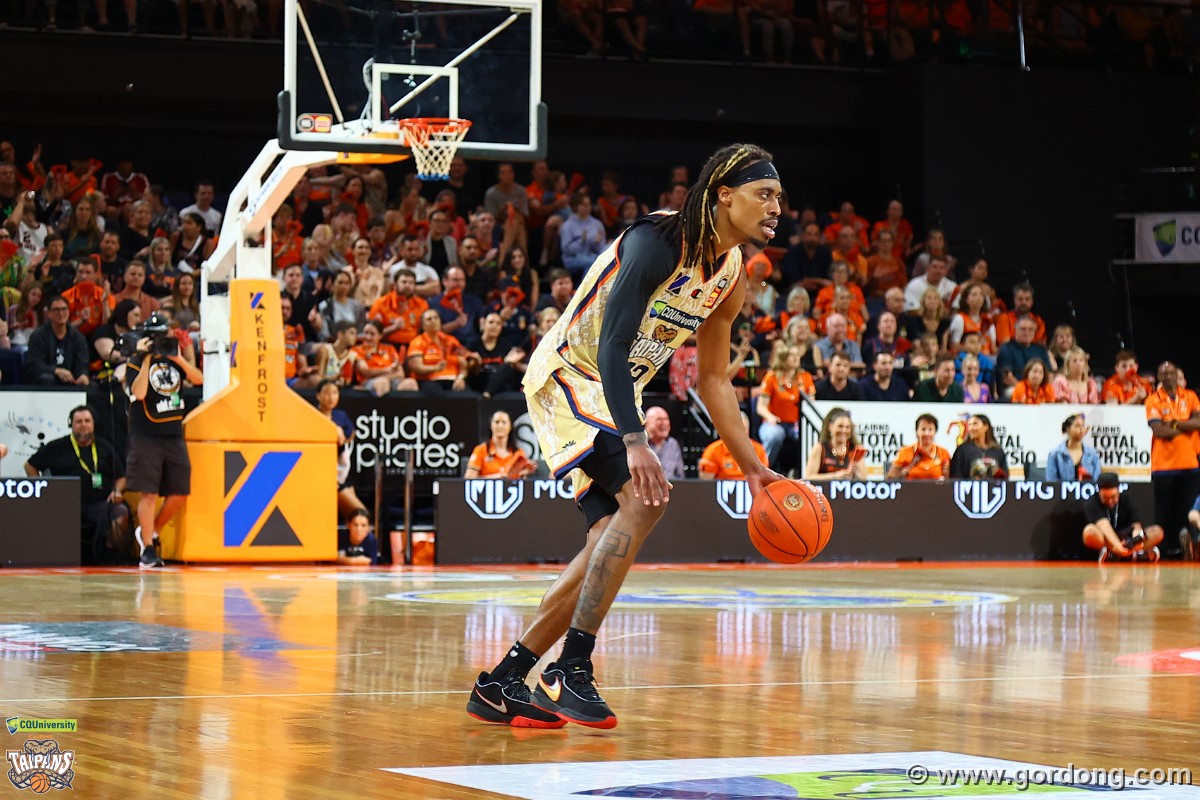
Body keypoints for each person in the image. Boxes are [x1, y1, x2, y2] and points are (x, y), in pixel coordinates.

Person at [467, 144, 787, 731]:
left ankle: (503, 681)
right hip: (571, 375)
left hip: (616, 393)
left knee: (604, 539)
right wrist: (637, 441)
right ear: (724, 195)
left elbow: (714, 380)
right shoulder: (655, 243)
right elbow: (613, 345)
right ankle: (572, 669)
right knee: (645, 499)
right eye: (764, 194)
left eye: (780, 198)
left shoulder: (732, 274)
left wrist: (753, 467)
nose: (776, 208)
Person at [125, 311, 205, 568]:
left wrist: (178, 358)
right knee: (149, 492)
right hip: (146, 434)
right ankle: (148, 549)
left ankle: (152, 530)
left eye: (164, 335)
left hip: (173, 433)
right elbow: (138, 393)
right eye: (156, 336)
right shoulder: (136, 360)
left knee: (180, 491)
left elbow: (199, 379)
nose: (161, 340)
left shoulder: (174, 359)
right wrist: (146, 358)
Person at [24, 405, 132, 564]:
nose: (83, 425)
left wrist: (117, 491)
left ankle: (111, 559)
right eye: (79, 421)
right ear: (71, 424)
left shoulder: (105, 447)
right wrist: (43, 491)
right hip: (64, 506)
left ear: (93, 424)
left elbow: (121, 477)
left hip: (99, 504)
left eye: (87, 421)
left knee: (120, 511)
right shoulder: (57, 447)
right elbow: (29, 466)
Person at [1146, 360, 1200, 559]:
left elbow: (1199, 422)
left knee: (1188, 510)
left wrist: (1175, 424)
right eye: (1164, 373)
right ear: (1159, 377)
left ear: (1178, 375)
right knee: (1163, 511)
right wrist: (1187, 425)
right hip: (1163, 465)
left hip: (1190, 463)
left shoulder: (1190, 396)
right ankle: (1164, 551)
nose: (1168, 376)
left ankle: (1189, 549)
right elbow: (1159, 430)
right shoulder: (1153, 400)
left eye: (1171, 373)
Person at [756, 345, 815, 467]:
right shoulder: (771, 377)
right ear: (783, 357)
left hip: (797, 424)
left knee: (807, 436)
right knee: (775, 435)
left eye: (797, 355)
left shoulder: (805, 377)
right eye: (792, 355)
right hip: (775, 423)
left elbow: (811, 405)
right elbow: (761, 407)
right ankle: (763, 468)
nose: (796, 358)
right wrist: (770, 417)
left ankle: (805, 471)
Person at [315, 379, 367, 517]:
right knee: (357, 513)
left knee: (357, 514)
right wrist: (334, 430)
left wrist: (340, 433)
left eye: (334, 393)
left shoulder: (341, 415)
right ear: (318, 396)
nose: (331, 397)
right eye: (326, 393)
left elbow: (349, 435)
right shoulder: (313, 415)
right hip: (323, 474)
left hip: (341, 471)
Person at [1083, 472, 1162, 562]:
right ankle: (1120, 554)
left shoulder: (1127, 500)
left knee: (1157, 531)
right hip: (1108, 542)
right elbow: (1104, 526)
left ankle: (1129, 553)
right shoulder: (1092, 503)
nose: (1110, 501)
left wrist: (1136, 541)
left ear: (1118, 490)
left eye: (1113, 497)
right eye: (1105, 498)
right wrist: (1118, 547)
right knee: (1089, 532)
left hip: (1127, 539)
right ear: (1099, 492)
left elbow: (1136, 525)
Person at [406, 309, 481, 395]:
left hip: (453, 379)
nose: (433, 321)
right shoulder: (417, 342)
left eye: (436, 318)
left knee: (470, 396)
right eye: (429, 319)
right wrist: (435, 368)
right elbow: (416, 367)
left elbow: (463, 363)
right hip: (429, 380)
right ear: (423, 326)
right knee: (436, 394)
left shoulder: (451, 340)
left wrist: (461, 378)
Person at [23, 294, 90, 386]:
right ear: (49, 313)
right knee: (47, 378)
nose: (61, 313)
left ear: (68, 311)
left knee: (90, 385)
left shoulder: (78, 337)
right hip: (47, 380)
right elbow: (34, 365)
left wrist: (83, 375)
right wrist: (55, 370)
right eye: (56, 310)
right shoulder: (38, 336)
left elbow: (82, 363)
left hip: (71, 380)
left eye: (64, 309)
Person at [464, 410, 537, 479]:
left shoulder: (518, 453)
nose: (500, 426)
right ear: (491, 426)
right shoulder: (481, 450)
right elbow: (468, 478)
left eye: (504, 422)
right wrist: (492, 479)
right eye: (497, 422)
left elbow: (521, 483)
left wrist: (523, 473)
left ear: (510, 427)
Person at [699, 412, 768, 479]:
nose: (741, 434)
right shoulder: (713, 451)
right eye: (737, 430)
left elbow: (763, 480)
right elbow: (706, 483)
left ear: (748, 430)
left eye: (744, 429)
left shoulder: (759, 450)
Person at [804, 407, 865, 481]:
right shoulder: (820, 448)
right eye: (840, 426)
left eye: (847, 427)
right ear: (830, 427)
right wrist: (835, 476)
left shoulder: (856, 449)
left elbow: (864, 480)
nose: (844, 430)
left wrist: (856, 474)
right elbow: (809, 477)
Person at [887, 413, 950, 480]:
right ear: (917, 432)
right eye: (923, 429)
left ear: (935, 432)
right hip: (911, 486)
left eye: (930, 429)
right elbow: (890, 479)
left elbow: (948, 480)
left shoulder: (943, 453)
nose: (926, 433)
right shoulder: (905, 452)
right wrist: (903, 473)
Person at [949, 414, 1008, 480]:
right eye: (969, 425)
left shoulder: (997, 451)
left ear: (985, 427)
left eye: (975, 424)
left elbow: (1005, 478)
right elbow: (956, 476)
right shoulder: (962, 450)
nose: (971, 428)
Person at [1046, 413, 1101, 482]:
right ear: (1068, 429)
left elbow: (1097, 480)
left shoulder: (1092, 454)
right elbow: (1051, 481)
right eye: (1077, 426)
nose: (1081, 429)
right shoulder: (1055, 454)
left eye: (1083, 426)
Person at [643, 406, 685, 481]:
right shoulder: (640, 444)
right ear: (646, 423)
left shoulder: (672, 444)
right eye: (659, 419)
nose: (664, 423)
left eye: (666, 419)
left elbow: (680, 475)